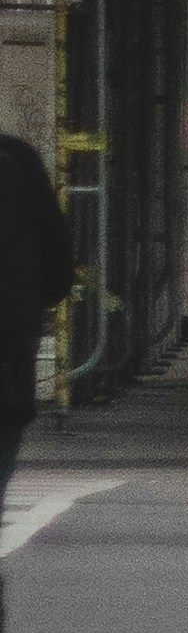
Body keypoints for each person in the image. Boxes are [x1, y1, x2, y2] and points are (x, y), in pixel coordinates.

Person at [0, 111, 72, 514]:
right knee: (5, 435)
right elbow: (58, 254)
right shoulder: (19, 158)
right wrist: (30, 303)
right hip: (12, 333)